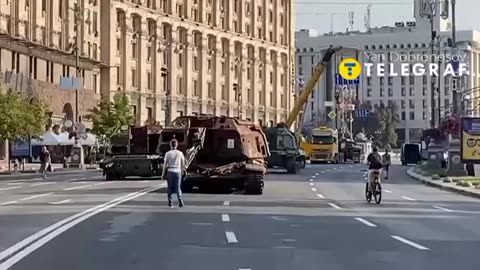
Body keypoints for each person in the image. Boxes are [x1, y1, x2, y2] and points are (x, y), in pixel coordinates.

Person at [161, 139, 186, 208]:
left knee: (169, 188)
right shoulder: (180, 153)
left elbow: (165, 165)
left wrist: (163, 174)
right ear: (177, 145)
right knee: (178, 187)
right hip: (178, 171)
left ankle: (170, 203)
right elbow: (183, 164)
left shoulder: (168, 153)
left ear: (170, 145)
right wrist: (183, 170)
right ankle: (180, 199)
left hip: (170, 171)